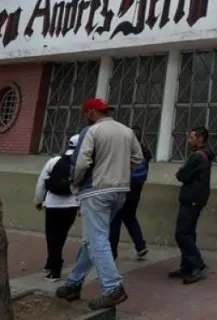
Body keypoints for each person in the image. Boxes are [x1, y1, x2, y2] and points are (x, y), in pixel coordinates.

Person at [55, 98, 143, 310]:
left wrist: (75, 182)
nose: (85, 117)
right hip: (119, 191)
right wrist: (121, 174)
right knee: (93, 239)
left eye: (86, 113)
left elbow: (82, 162)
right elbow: (137, 158)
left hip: (96, 190)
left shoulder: (91, 131)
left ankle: (113, 288)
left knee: (98, 240)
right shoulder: (126, 131)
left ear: (92, 112)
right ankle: (74, 283)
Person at [169, 126, 213, 285]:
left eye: (191, 137)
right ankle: (187, 265)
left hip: (192, 198)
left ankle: (197, 264)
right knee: (189, 232)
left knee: (181, 233)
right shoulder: (203, 156)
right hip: (196, 198)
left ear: (200, 138)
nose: (189, 140)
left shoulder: (197, 157)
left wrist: (181, 173)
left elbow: (181, 175)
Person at [34, 134, 80, 281]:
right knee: (61, 235)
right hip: (72, 205)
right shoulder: (82, 164)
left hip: (53, 204)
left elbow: (42, 182)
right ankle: (51, 262)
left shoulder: (53, 161)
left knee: (51, 235)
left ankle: (55, 268)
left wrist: (38, 200)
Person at [109, 125, 151, 260]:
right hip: (137, 190)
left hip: (124, 188)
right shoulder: (145, 151)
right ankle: (140, 245)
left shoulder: (127, 151)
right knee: (130, 216)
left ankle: (112, 252)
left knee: (115, 219)